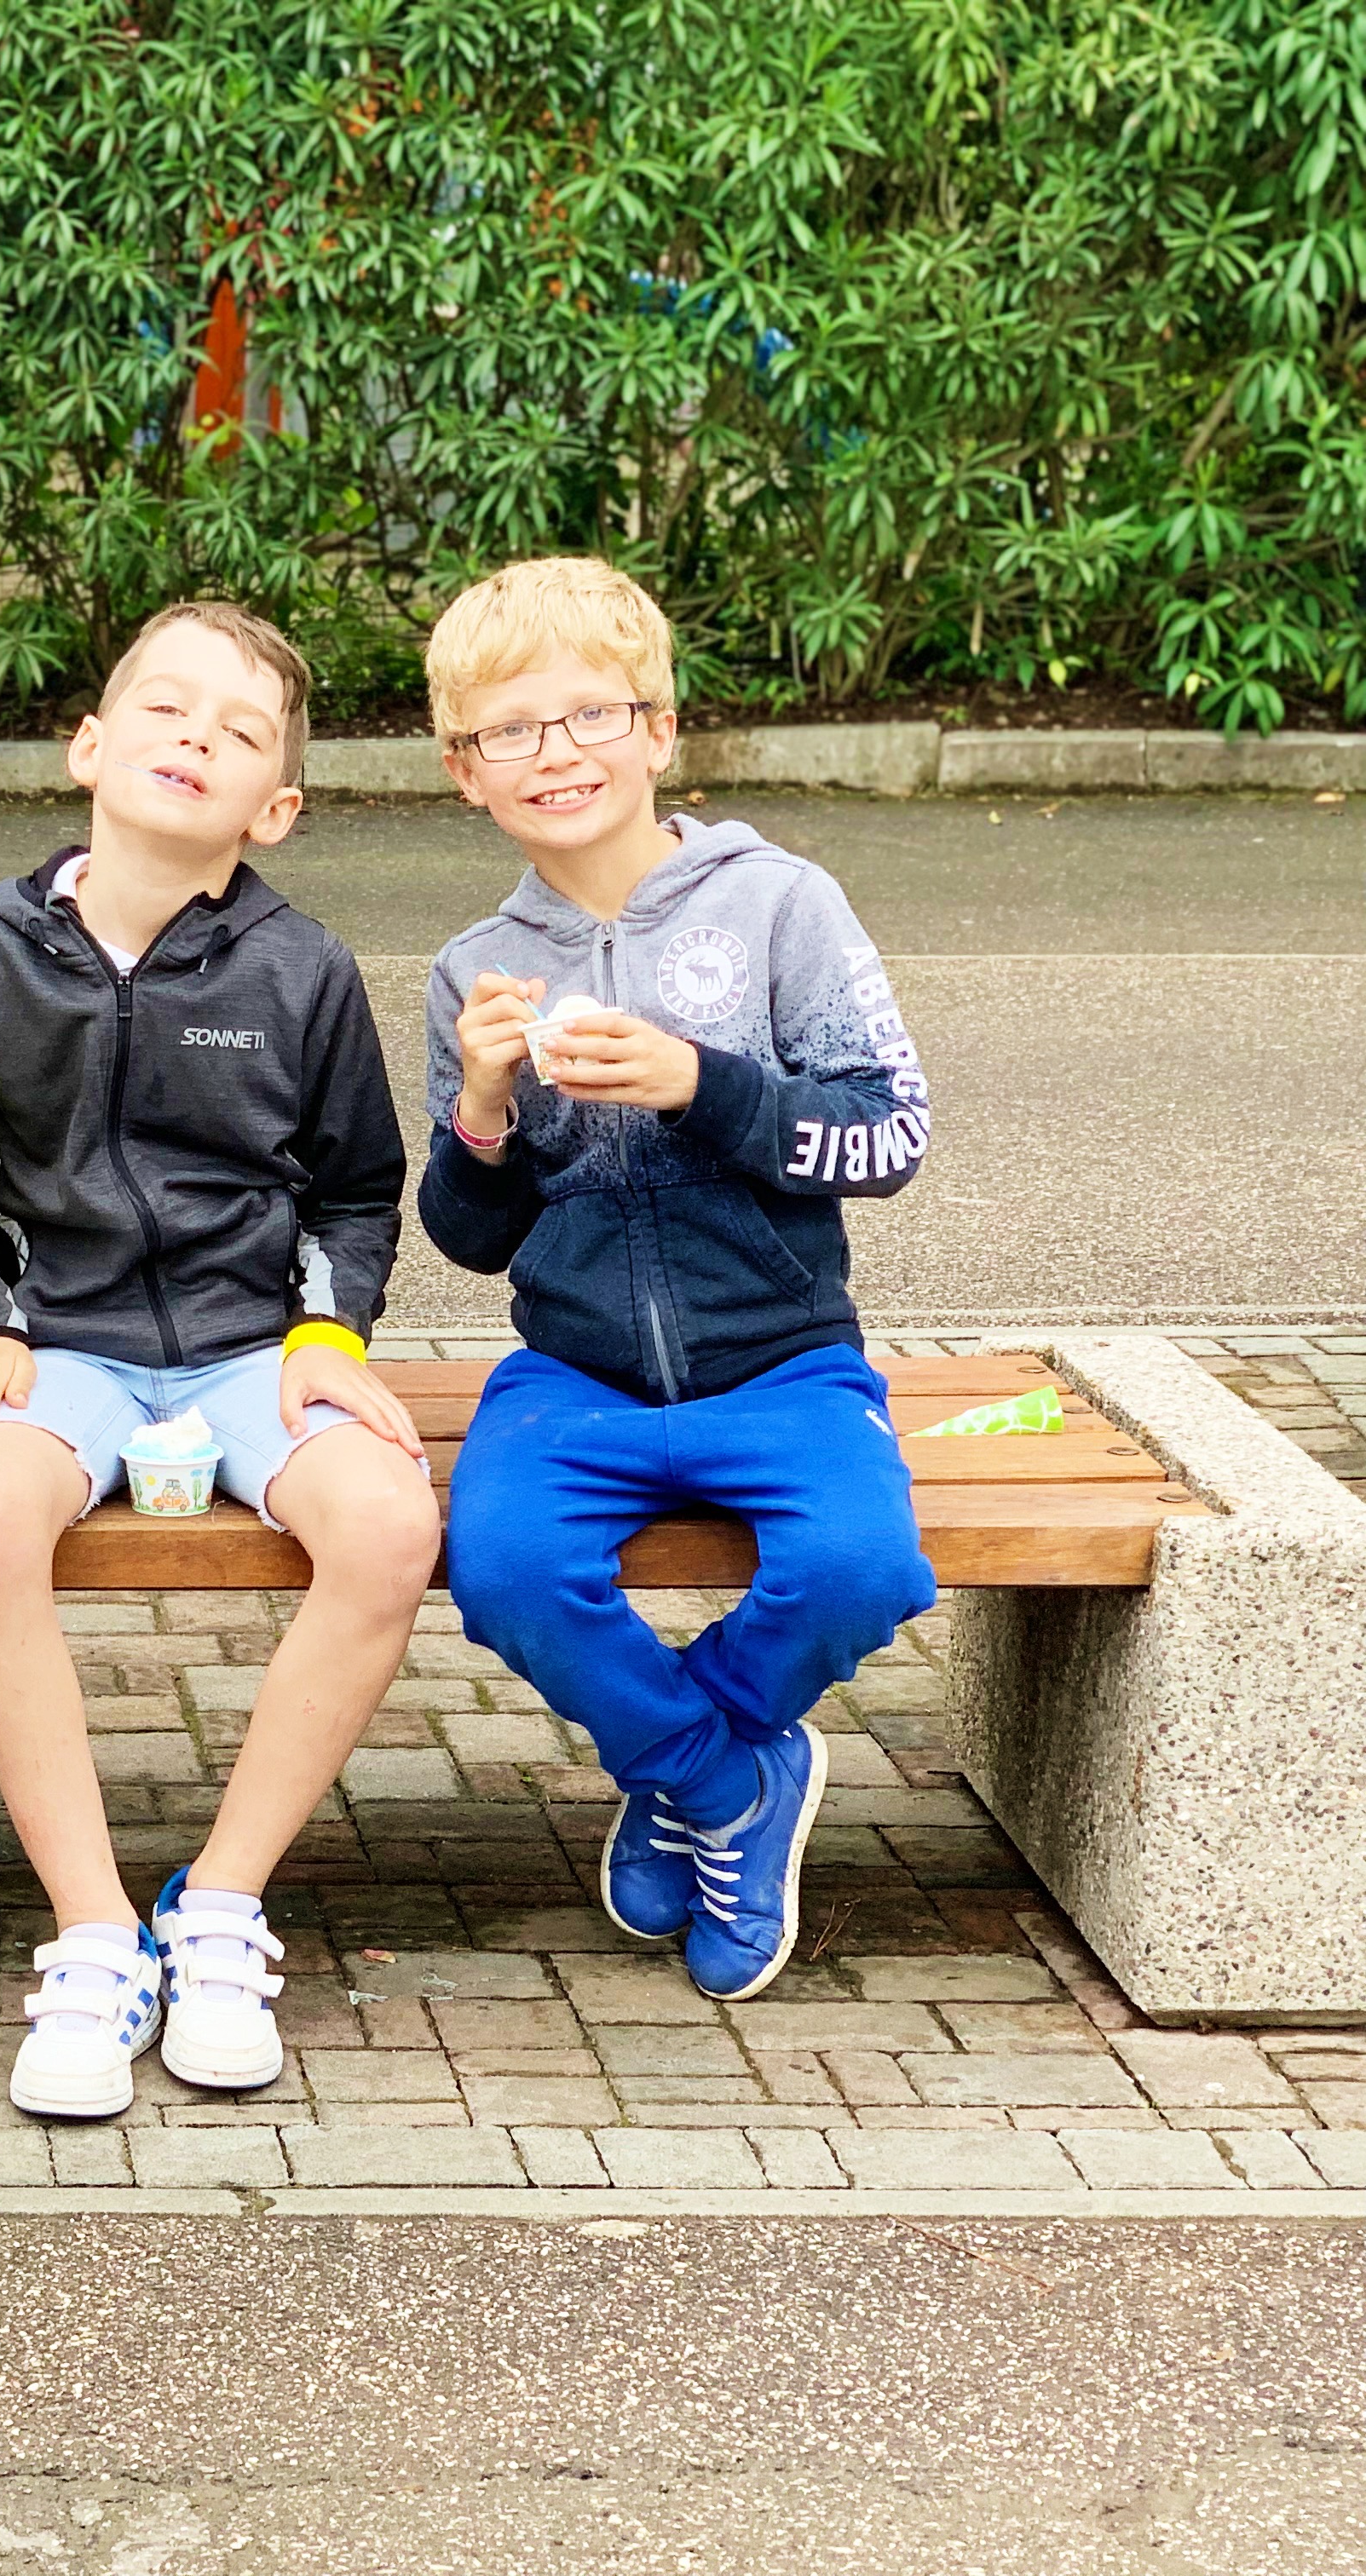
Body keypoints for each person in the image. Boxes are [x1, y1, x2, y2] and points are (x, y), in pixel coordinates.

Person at [0, 600, 439, 2118]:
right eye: (163, 706)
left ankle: (218, 1910)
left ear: (275, 804)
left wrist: (331, 1331)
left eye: (238, 728)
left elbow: (353, 1187)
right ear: (88, 743)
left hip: (247, 1351)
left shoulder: (304, 971)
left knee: (394, 1522)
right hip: (57, 1343)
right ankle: (91, 1935)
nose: (193, 735)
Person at [419, 555, 937, 2003]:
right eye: (512, 732)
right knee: (506, 1570)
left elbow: (891, 1134)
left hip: (783, 1355)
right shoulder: (475, 967)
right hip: (574, 1371)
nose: (557, 753)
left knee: (861, 1567)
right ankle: (724, 1782)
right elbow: (470, 1235)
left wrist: (702, 1084)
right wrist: (480, 1105)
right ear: (469, 773)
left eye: (589, 714)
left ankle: (679, 1767)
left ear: (655, 731)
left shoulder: (780, 905)